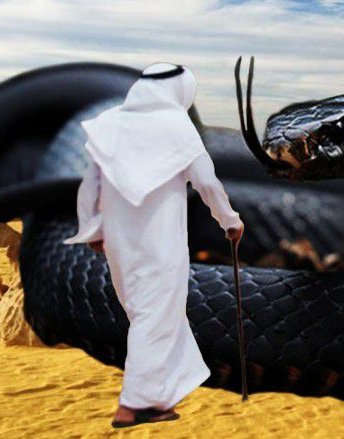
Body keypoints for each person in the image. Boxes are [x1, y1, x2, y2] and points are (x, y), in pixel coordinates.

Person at [62, 62, 244, 428]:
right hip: (160, 242)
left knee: (149, 314)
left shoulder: (110, 125)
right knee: (153, 317)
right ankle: (134, 405)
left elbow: (90, 183)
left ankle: (159, 397)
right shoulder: (178, 127)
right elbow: (207, 184)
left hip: (118, 241)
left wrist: (94, 229)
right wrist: (230, 220)